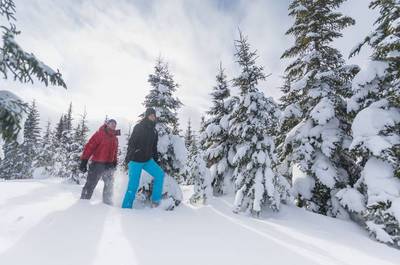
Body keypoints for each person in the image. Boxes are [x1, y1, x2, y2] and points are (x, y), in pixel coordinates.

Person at [122, 107, 165, 209]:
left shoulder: (154, 131)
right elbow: (132, 143)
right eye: (150, 115)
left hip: (147, 160)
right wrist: (129, 157)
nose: (152, 117)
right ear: (146, 116)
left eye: (154, 115)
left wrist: (156, 160)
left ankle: (155, 202)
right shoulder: (139, 127)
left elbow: (154, 148)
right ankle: (126, 208)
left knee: (159, 174)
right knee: (133, 185)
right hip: (136, 160)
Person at [79, 119, 119, 205]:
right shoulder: (100, 134)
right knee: (91, 183)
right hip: (97, 163)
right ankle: (83, 202)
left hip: (109, 165)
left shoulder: (115, 138)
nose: (113, 126)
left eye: (115, 125)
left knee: (109, 184)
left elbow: (115, 152)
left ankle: (107, 204)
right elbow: (89, 147)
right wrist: (84, 160)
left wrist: (115, 162)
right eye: (111, 123)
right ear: (107, 124)